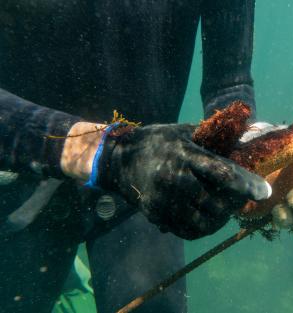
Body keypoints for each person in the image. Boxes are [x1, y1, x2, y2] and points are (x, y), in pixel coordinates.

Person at [0, 1, 270, 313]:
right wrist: (110, 154)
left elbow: (230, 85)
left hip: (144, 186)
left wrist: (257, 156)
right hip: (22, 179)